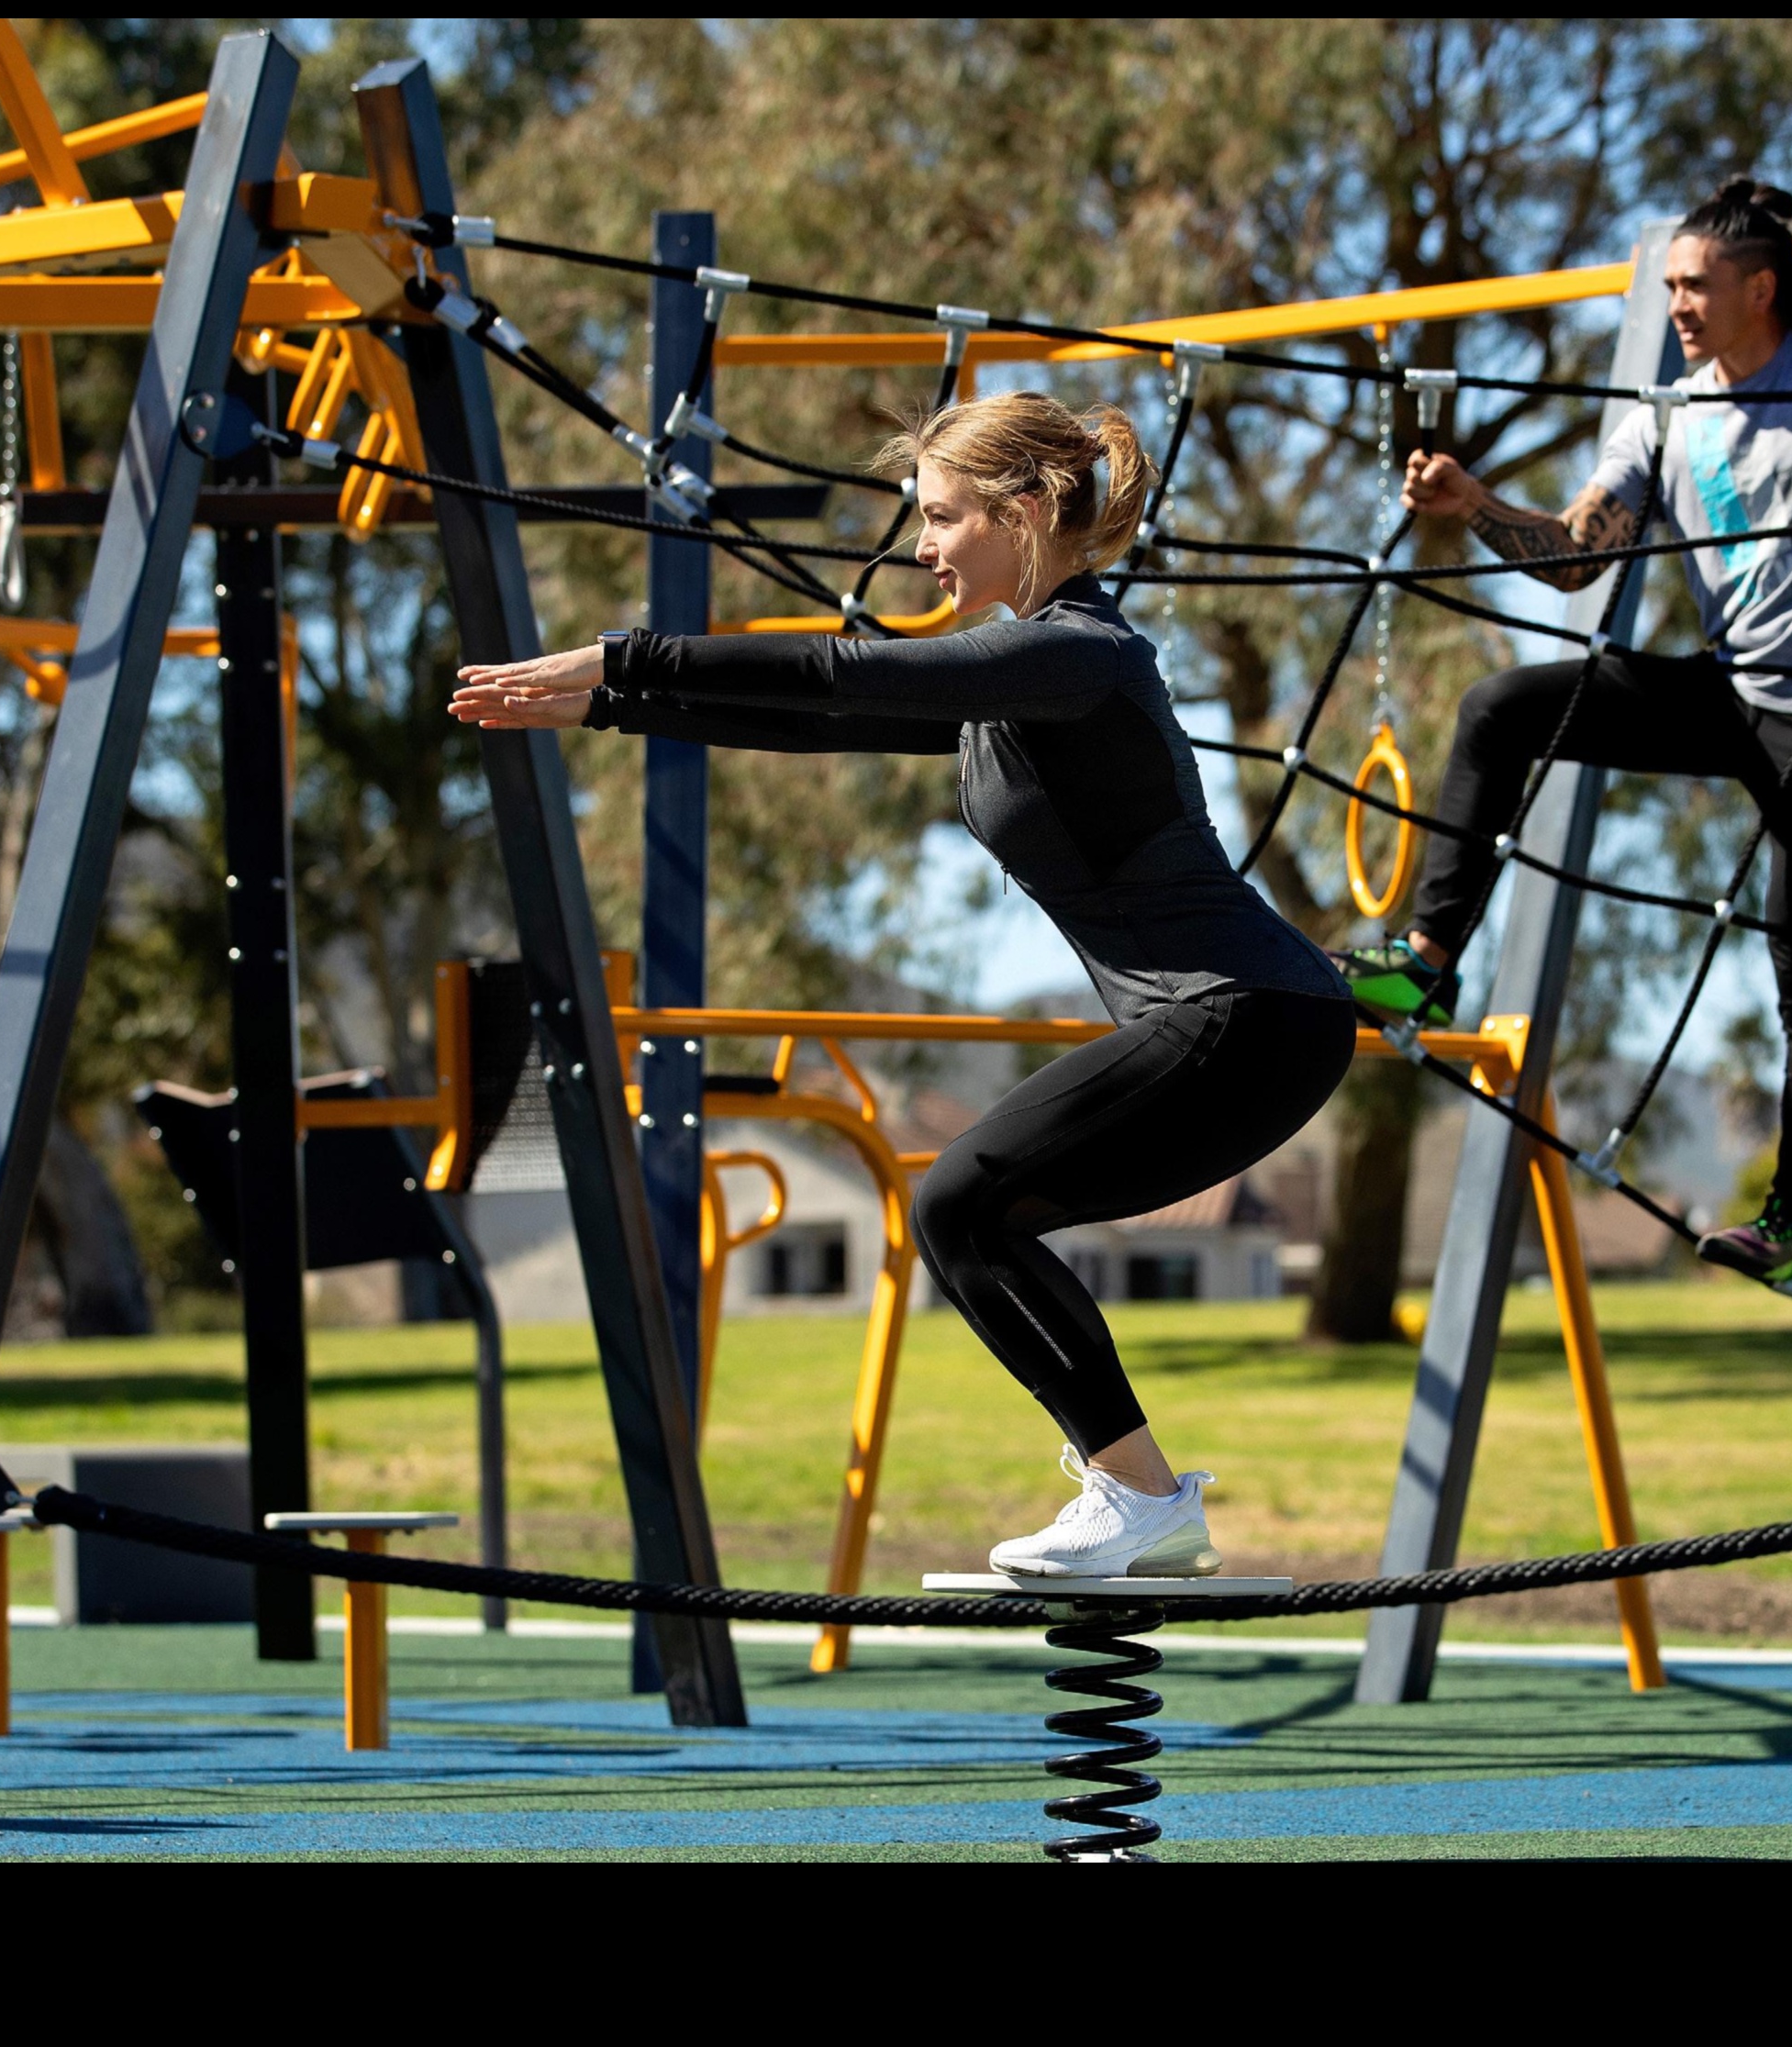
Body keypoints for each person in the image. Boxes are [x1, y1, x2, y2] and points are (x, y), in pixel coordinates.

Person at [449, 392, 1354, 1578]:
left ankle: (1138, 1494)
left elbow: (840, 669)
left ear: (1025, 510)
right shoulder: (1019, 680)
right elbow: (829, 721)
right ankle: (1139, 1498)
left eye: (941, 517)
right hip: (1248, 1025)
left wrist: (624, 656)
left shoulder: (1077, 651)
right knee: (980, 1209)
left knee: (961, 1197)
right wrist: (611, 704)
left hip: (1242, 1010)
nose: (921, 547)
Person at [1339, 176, 1792, 1282]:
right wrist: (1474, 503)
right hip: (1728, 694)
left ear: (1760, 288)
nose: (1676, 304)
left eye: (1695, 285)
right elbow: (1577, 554)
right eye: (1668, 285)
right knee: (1500, 710)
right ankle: (1430, 959)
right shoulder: (1665, 415)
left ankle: (1789, 1220)